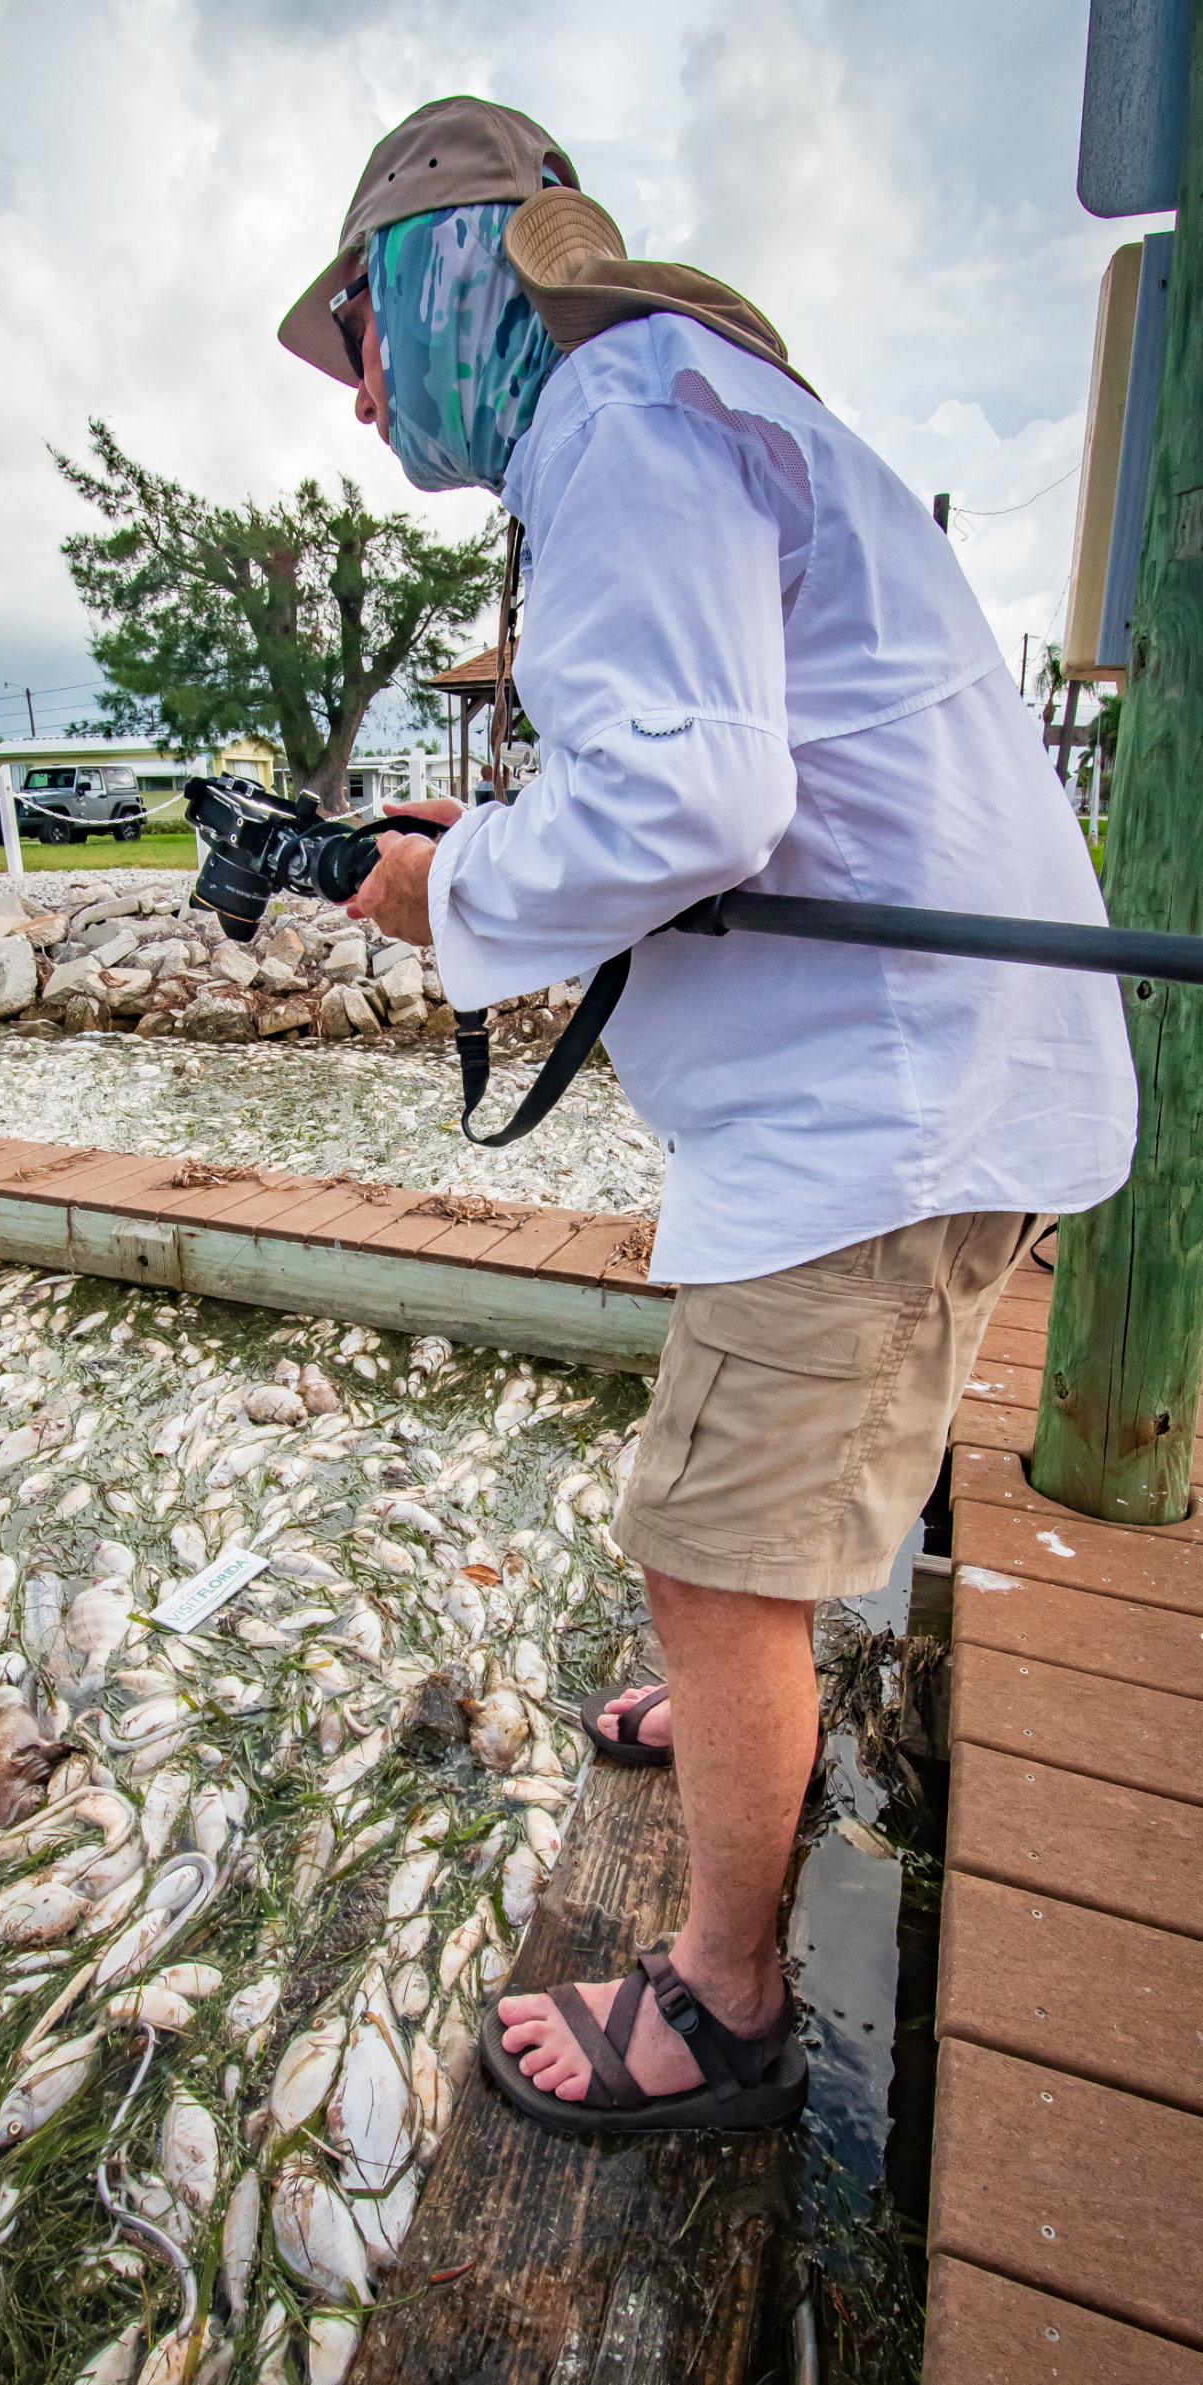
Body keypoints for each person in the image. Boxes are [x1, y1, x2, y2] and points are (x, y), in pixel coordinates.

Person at [279, 97, 1136, 2134]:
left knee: (708, 1545)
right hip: (914, 1081)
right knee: (775, 1483)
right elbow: (711, 773)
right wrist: (496, 848)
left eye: (364, 336)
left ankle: (729, 1997)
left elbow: (684, 804)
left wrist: (447, 889)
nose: (365, 394)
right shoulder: (682, 394)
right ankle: (747, 1695)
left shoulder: (616, 425)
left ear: (446, 263)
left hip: (885, 1106)